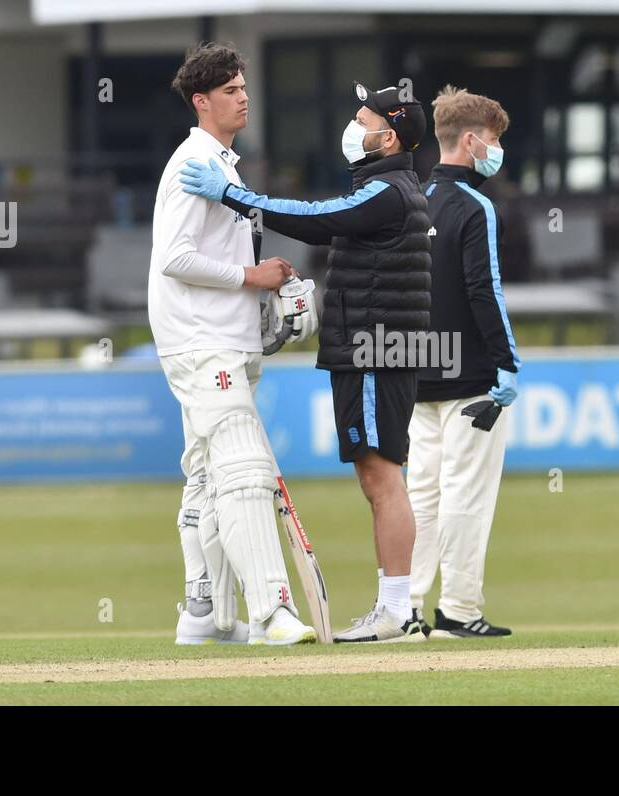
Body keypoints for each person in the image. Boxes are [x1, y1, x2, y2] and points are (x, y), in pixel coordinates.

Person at [179, 81, 431, 643]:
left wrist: (233, 195)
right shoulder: (389, 186)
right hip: (375, 344)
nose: (353, 128)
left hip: (375, 348)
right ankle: (396, 607)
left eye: (363, 119)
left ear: (387, 137)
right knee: (379, 473)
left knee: (383, 474)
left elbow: (314, 218)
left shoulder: (387, 190)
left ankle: (396, 609)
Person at [150, 42, 317, 646]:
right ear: (201, 101)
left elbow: (213, 254)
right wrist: (252, 279)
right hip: (202, 341)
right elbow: (175, 259)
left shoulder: (225, 164)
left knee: (206, 476)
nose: (243, 97)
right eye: (230, 90)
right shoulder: (196, 162)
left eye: (244, 87)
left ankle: (206, 617)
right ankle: (272, 612)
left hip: (223, 337)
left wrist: (262, 309)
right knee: (245, 469)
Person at [407, 86, 519, 639]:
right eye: (494, 141)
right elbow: (485, 290)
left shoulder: (412, 197)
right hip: (473, 378)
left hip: (415, 373)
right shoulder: (475, 205)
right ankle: (458, 610)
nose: (498, 151)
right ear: (472, 141)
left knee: (421, 496)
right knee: (465, 496)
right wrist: (508, 364)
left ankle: (401, 609)